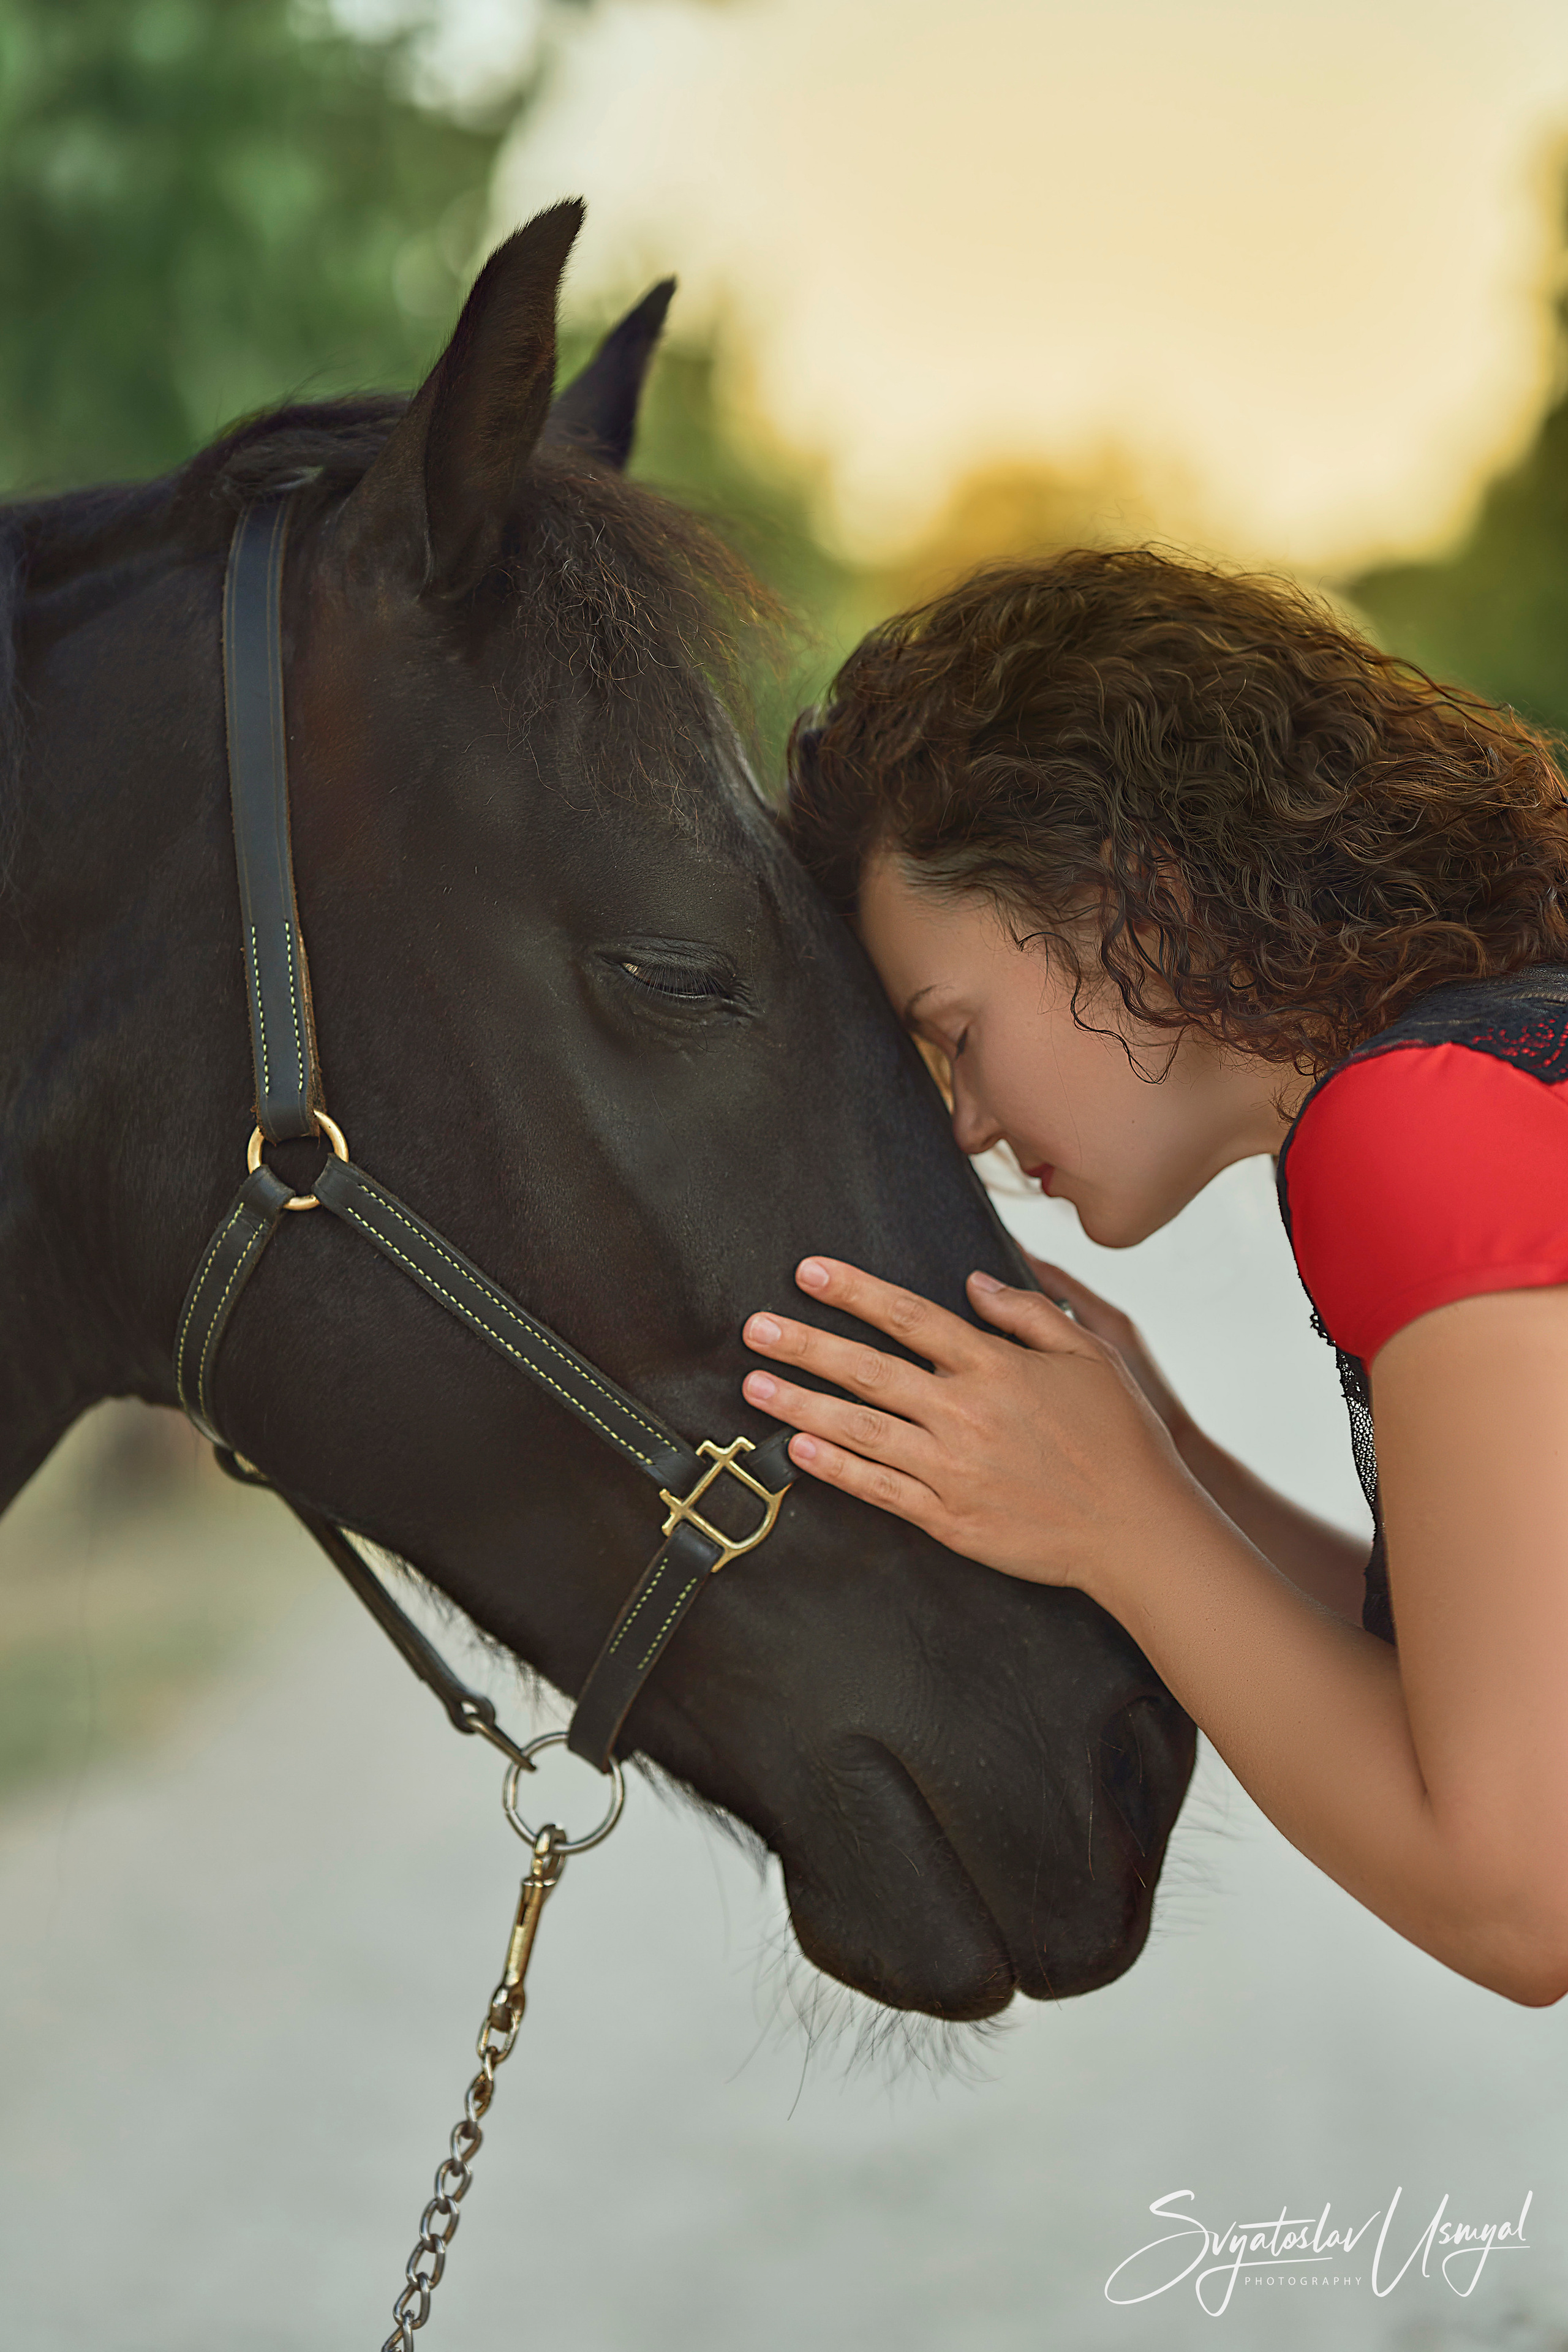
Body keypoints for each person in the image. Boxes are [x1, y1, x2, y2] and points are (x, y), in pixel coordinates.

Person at [739, 547, 1568, 2007]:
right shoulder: (1491, 1062)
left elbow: (1521, 1895)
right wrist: (1160, 1453)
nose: (969, 1125)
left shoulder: (1417, 1120)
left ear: (1117, 895)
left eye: (952, 1030)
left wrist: (1118, 1524)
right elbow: (1478, 1672)